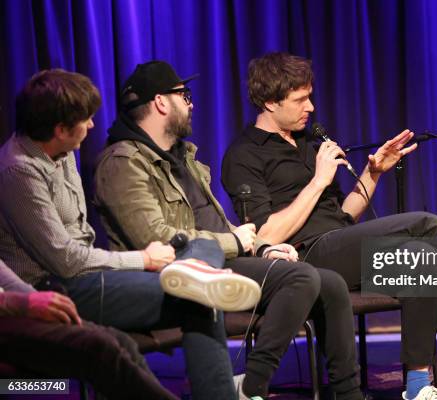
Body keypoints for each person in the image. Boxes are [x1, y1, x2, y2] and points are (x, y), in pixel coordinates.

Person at [221, 52, 437, 400]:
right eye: (300, 99)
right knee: (427, 223)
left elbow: (343, 216)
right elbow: (264, 235)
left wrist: (373, 174)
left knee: (423, 257)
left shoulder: (307, 143)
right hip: (303, 260)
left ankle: (418, 386)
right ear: (270, 101)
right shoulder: (244, 155)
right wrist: (317, 181)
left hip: (341, 247)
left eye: (310, 96)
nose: (311, 107)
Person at [94, 60, 364, 400]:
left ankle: (354, 392)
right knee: (311, 274)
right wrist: (236, 241)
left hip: (228, 258)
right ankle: (251, 388)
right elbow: (158, 238)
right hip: (185, 268)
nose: (191, 104)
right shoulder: (123, 162)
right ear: (162, 103)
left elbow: (219, 224)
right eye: (184, 95)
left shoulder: (184, 157)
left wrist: (263, 246)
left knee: (341, 280)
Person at [0, 69, 249, 399]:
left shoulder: (62, 150)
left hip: (89, 275)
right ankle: (197, 273)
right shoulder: (19, 169)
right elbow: (66, 260)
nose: (91, 126)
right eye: (85, 120)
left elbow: (81, 240)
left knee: (201, 270)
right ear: (60, 129)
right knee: (199, 297)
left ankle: (195, 269)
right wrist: (142, 260)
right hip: (56, 286)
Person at [0, 259, 178, 400]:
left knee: (122, 341)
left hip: (16, 305)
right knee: (98, 346)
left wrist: (36, 299)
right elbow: (65, 258)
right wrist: (20, 303)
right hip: (9, 312)